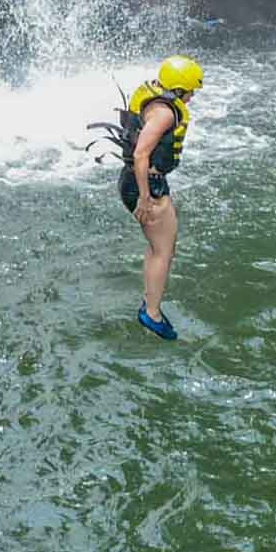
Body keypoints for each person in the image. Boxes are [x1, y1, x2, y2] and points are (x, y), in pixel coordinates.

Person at [95, 56, 205, 341]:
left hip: (139, 180)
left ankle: (150, 303)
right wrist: (145, 198)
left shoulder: (154, 97)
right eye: (189, 91)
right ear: (177, 89)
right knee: (163, 251)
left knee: (161, 248)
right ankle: (151, 314)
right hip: (146, 185)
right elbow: (142, 153)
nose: (191, 97)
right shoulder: (165, 113)